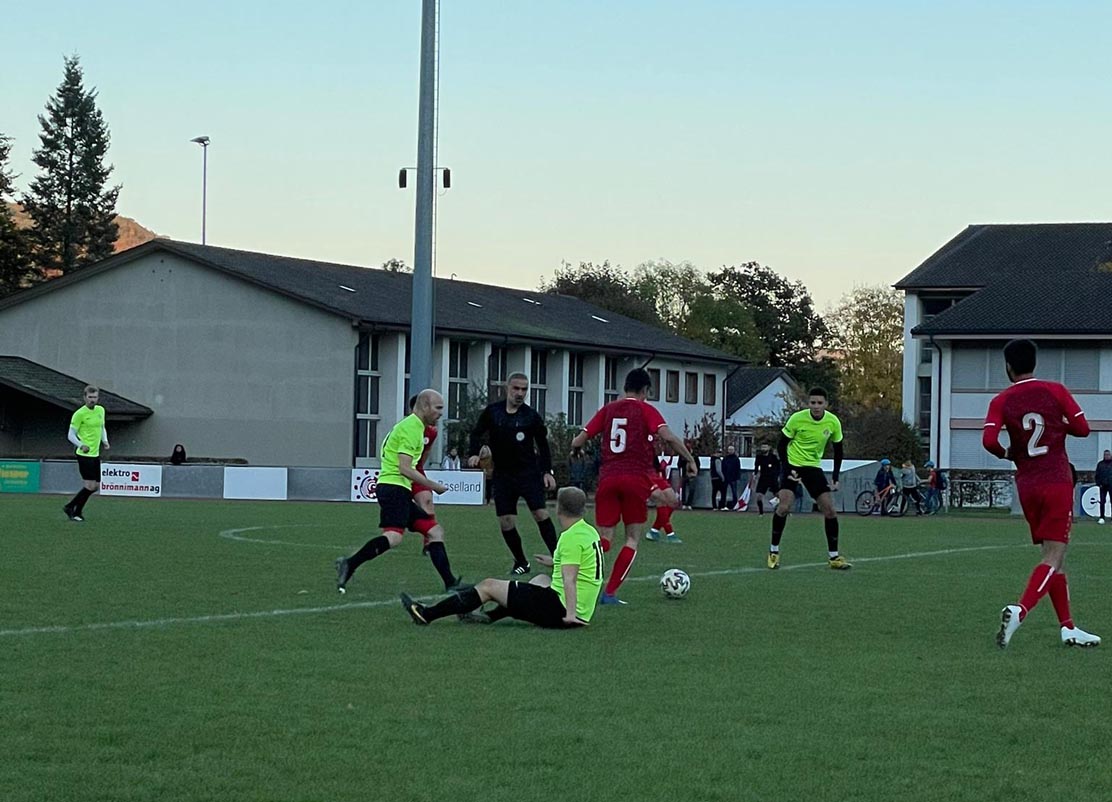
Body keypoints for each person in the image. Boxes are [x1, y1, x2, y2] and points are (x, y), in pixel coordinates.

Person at [985, 339, 1100, 648]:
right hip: (1056, 481)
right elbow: (1084, 429)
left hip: (1027, 484)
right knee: (1054, 555)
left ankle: (1068, 628)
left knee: (1052, 559)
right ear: (1034, 363)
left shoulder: (1001, 400)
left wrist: (1007, 453)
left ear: (1008, 367)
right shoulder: (1055, 390)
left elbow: (989, 441)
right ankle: (1019, 611)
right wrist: (1058, 427)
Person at [570, 367, 696, 605]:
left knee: (604, 540)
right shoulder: (646, 409)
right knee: (631, 539)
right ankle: (609, 594)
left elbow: (579, 439)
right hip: (635, 479)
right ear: (645, 390)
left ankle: (571, 564)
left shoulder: (608, 409)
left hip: (607, 479)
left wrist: (576, 449)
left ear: (625, 387)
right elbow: (668, 437)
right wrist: (689, 459)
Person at [400, 486, 602, 628]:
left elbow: (570, 579)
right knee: (540, 580)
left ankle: (427, 614)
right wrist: (555, 561)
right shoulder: (587, 531)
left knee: (488, 585)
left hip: (562, 610)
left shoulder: (571, 537)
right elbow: (583, 567)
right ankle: (489, 616)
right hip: (582, 609)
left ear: (559, 508)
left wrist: (570, 616)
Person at [334, 389, 460, 594]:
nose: (440, 413)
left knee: (434, 531)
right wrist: (433, 485)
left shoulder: (412, 427)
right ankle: (349, 563)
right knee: (394, 536)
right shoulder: (412, 428)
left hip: (395, 487)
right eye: (438, 408)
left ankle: (451, 584)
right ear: (425, 406)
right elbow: (405, 468)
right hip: (394, 488)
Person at [468, 373, 558, 575]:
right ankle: (521, 562)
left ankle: (559, 559)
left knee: (540, 513)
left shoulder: (531, 416)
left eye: (524, 389)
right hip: (503, 475)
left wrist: (547, 472)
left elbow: (543, 445)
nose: (520, 393)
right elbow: (476, 433)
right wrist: (474, 453)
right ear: (507, 388)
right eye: (516, 388)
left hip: (528, 473)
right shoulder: (493, 412)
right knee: (506, 521)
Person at [766, 387, 850, 570]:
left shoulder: (833, 422)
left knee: (830, 510)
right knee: (784, 506)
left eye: (820, 403)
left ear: (826, 404)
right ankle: (773, 552)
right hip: (793, 464)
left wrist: (835, 476)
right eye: (813, 403)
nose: (816, 406)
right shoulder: (797, 419)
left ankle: (834, 557)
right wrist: (788, 469)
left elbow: (838, 451)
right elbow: (781, 445)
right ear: (808, 403)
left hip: (813, 467)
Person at [64, 385, 109, 522]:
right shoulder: (79, 414)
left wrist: (105, 441)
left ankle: (73, 508)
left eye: (94, 397)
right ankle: (72, 509)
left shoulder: (100, 410)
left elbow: (102, 427)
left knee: (95, 487)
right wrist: (80, 444)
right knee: (89, 486)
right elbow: (70, 435)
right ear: (84, 397)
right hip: (84, 455)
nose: (92, 400)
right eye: (90, 397)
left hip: (95, 454)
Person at [646, 443, 682, 544]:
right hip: (643, 476)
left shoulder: (650, 444)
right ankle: (670, 533)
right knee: (661, 500)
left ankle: (654, 530)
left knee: (673, 501)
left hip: (655, 475)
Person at [752, 443, 780, 515]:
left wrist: (776, 476)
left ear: (769, 448)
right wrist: (755, 474)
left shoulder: (773, 457)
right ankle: (761, 513)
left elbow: (778, 467)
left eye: (765, 447)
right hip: (763, 479)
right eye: (762, 447)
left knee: (778, 496)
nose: (763, 448)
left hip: (772, 479)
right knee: (759, 496)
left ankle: (782, 511)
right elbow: (756, 466)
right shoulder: (759, 457)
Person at [721, 445, 741, 509]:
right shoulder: (725, 459)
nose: (730, 451)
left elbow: (738, 468)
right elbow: (722, 468)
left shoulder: (736, 459)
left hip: (733, 478)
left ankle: (735, 505)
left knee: (734, 492)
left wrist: (737, 477)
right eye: (729, 450)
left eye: (732, 450)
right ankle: (722, 505)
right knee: (723, 492)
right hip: (726, 478)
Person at [1095, 450, 1112, 523]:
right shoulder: (1100, 464)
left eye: (1108, 454)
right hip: (1103, 486)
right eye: (1105, 455)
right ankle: (1102, 517)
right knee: (1102, 501)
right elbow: (1097, 475)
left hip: (1111, 485)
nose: (1107, 456)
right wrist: (1099, 483)